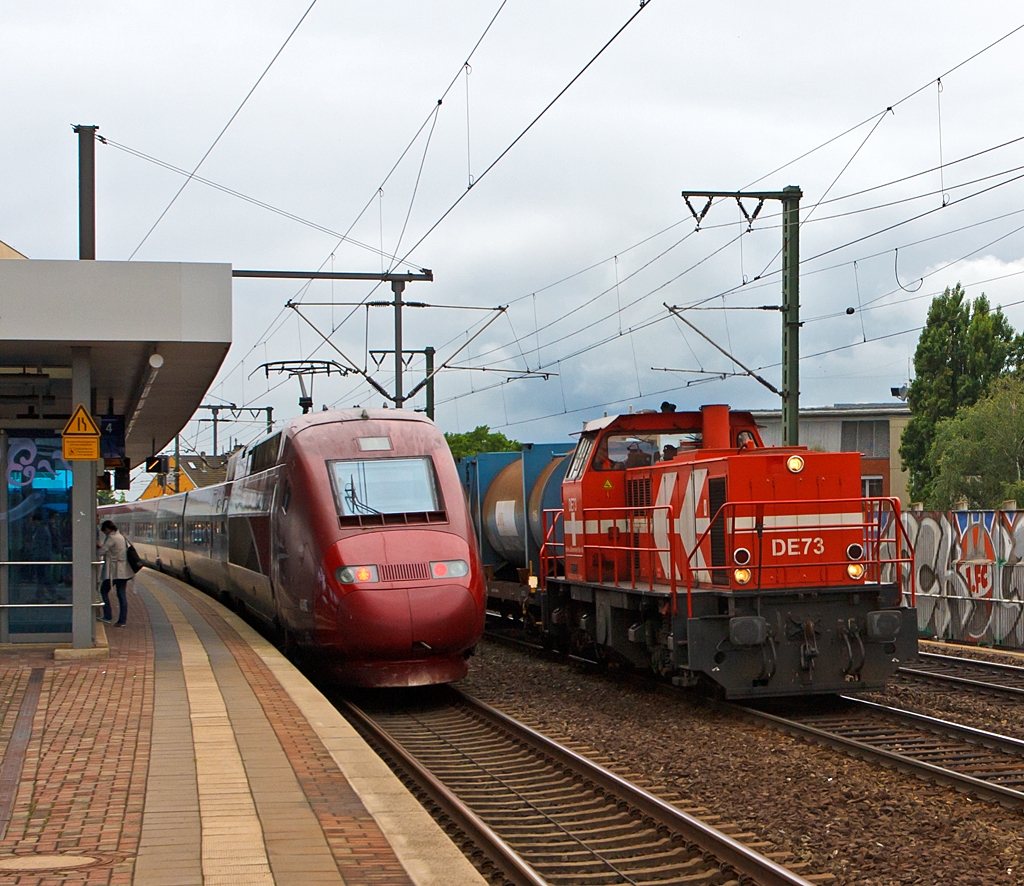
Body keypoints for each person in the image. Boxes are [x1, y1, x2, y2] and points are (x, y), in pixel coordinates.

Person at [98, 520, 131, 627]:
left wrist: (99, 547)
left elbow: (101, 552)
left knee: (103, 591)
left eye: (104, 530)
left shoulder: (111, 538)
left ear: (108, 529)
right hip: (123, 571)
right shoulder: (121, 537)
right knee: (121, 595)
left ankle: (107, 615)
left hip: (113, 572)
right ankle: (122, 620)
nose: (104, 532)